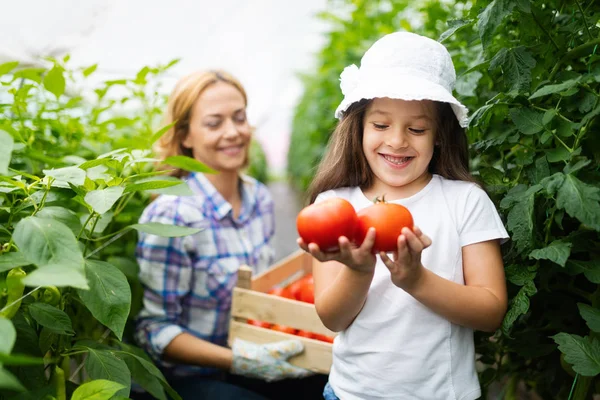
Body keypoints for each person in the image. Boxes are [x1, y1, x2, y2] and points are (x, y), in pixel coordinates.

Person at [297, 31, 509, 400]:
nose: (397, 141)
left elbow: (490, 311)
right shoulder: (334, 206)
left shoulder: (465, 202)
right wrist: (360, 270)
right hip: (352, 393)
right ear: (358, 127)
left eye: (416, 129)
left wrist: (417, 280)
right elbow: (332, 319)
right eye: (380, 125)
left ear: (440, 134)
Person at [134, 70, 319, 400]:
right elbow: (154, 330)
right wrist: (239, 361)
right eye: (214, 123)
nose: (232, 132)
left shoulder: (259, 198)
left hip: (247, 354)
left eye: (239, 118)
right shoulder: (173, 214)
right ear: (186, 136)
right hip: (189, 378)